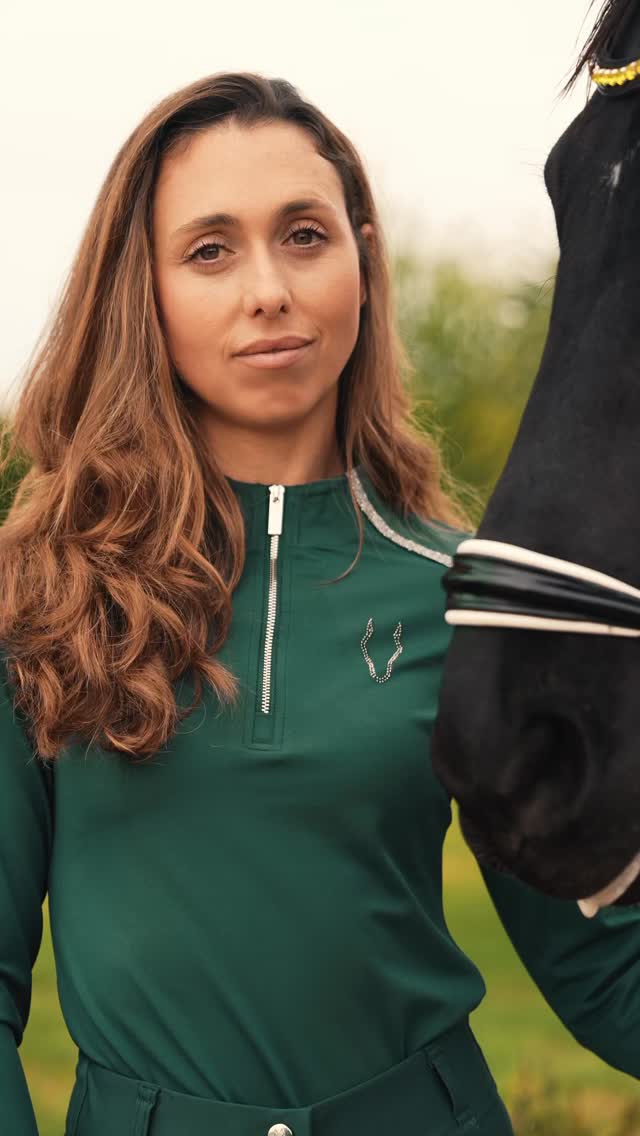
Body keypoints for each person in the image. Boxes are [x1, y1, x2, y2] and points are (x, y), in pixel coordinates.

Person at [0, 71, 638, 1136]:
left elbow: (603, 969)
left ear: (363, 258)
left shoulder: (472, 603)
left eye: (304, 236)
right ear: (142, 289)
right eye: (211, 250)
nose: (269, 290)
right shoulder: (41, 597)